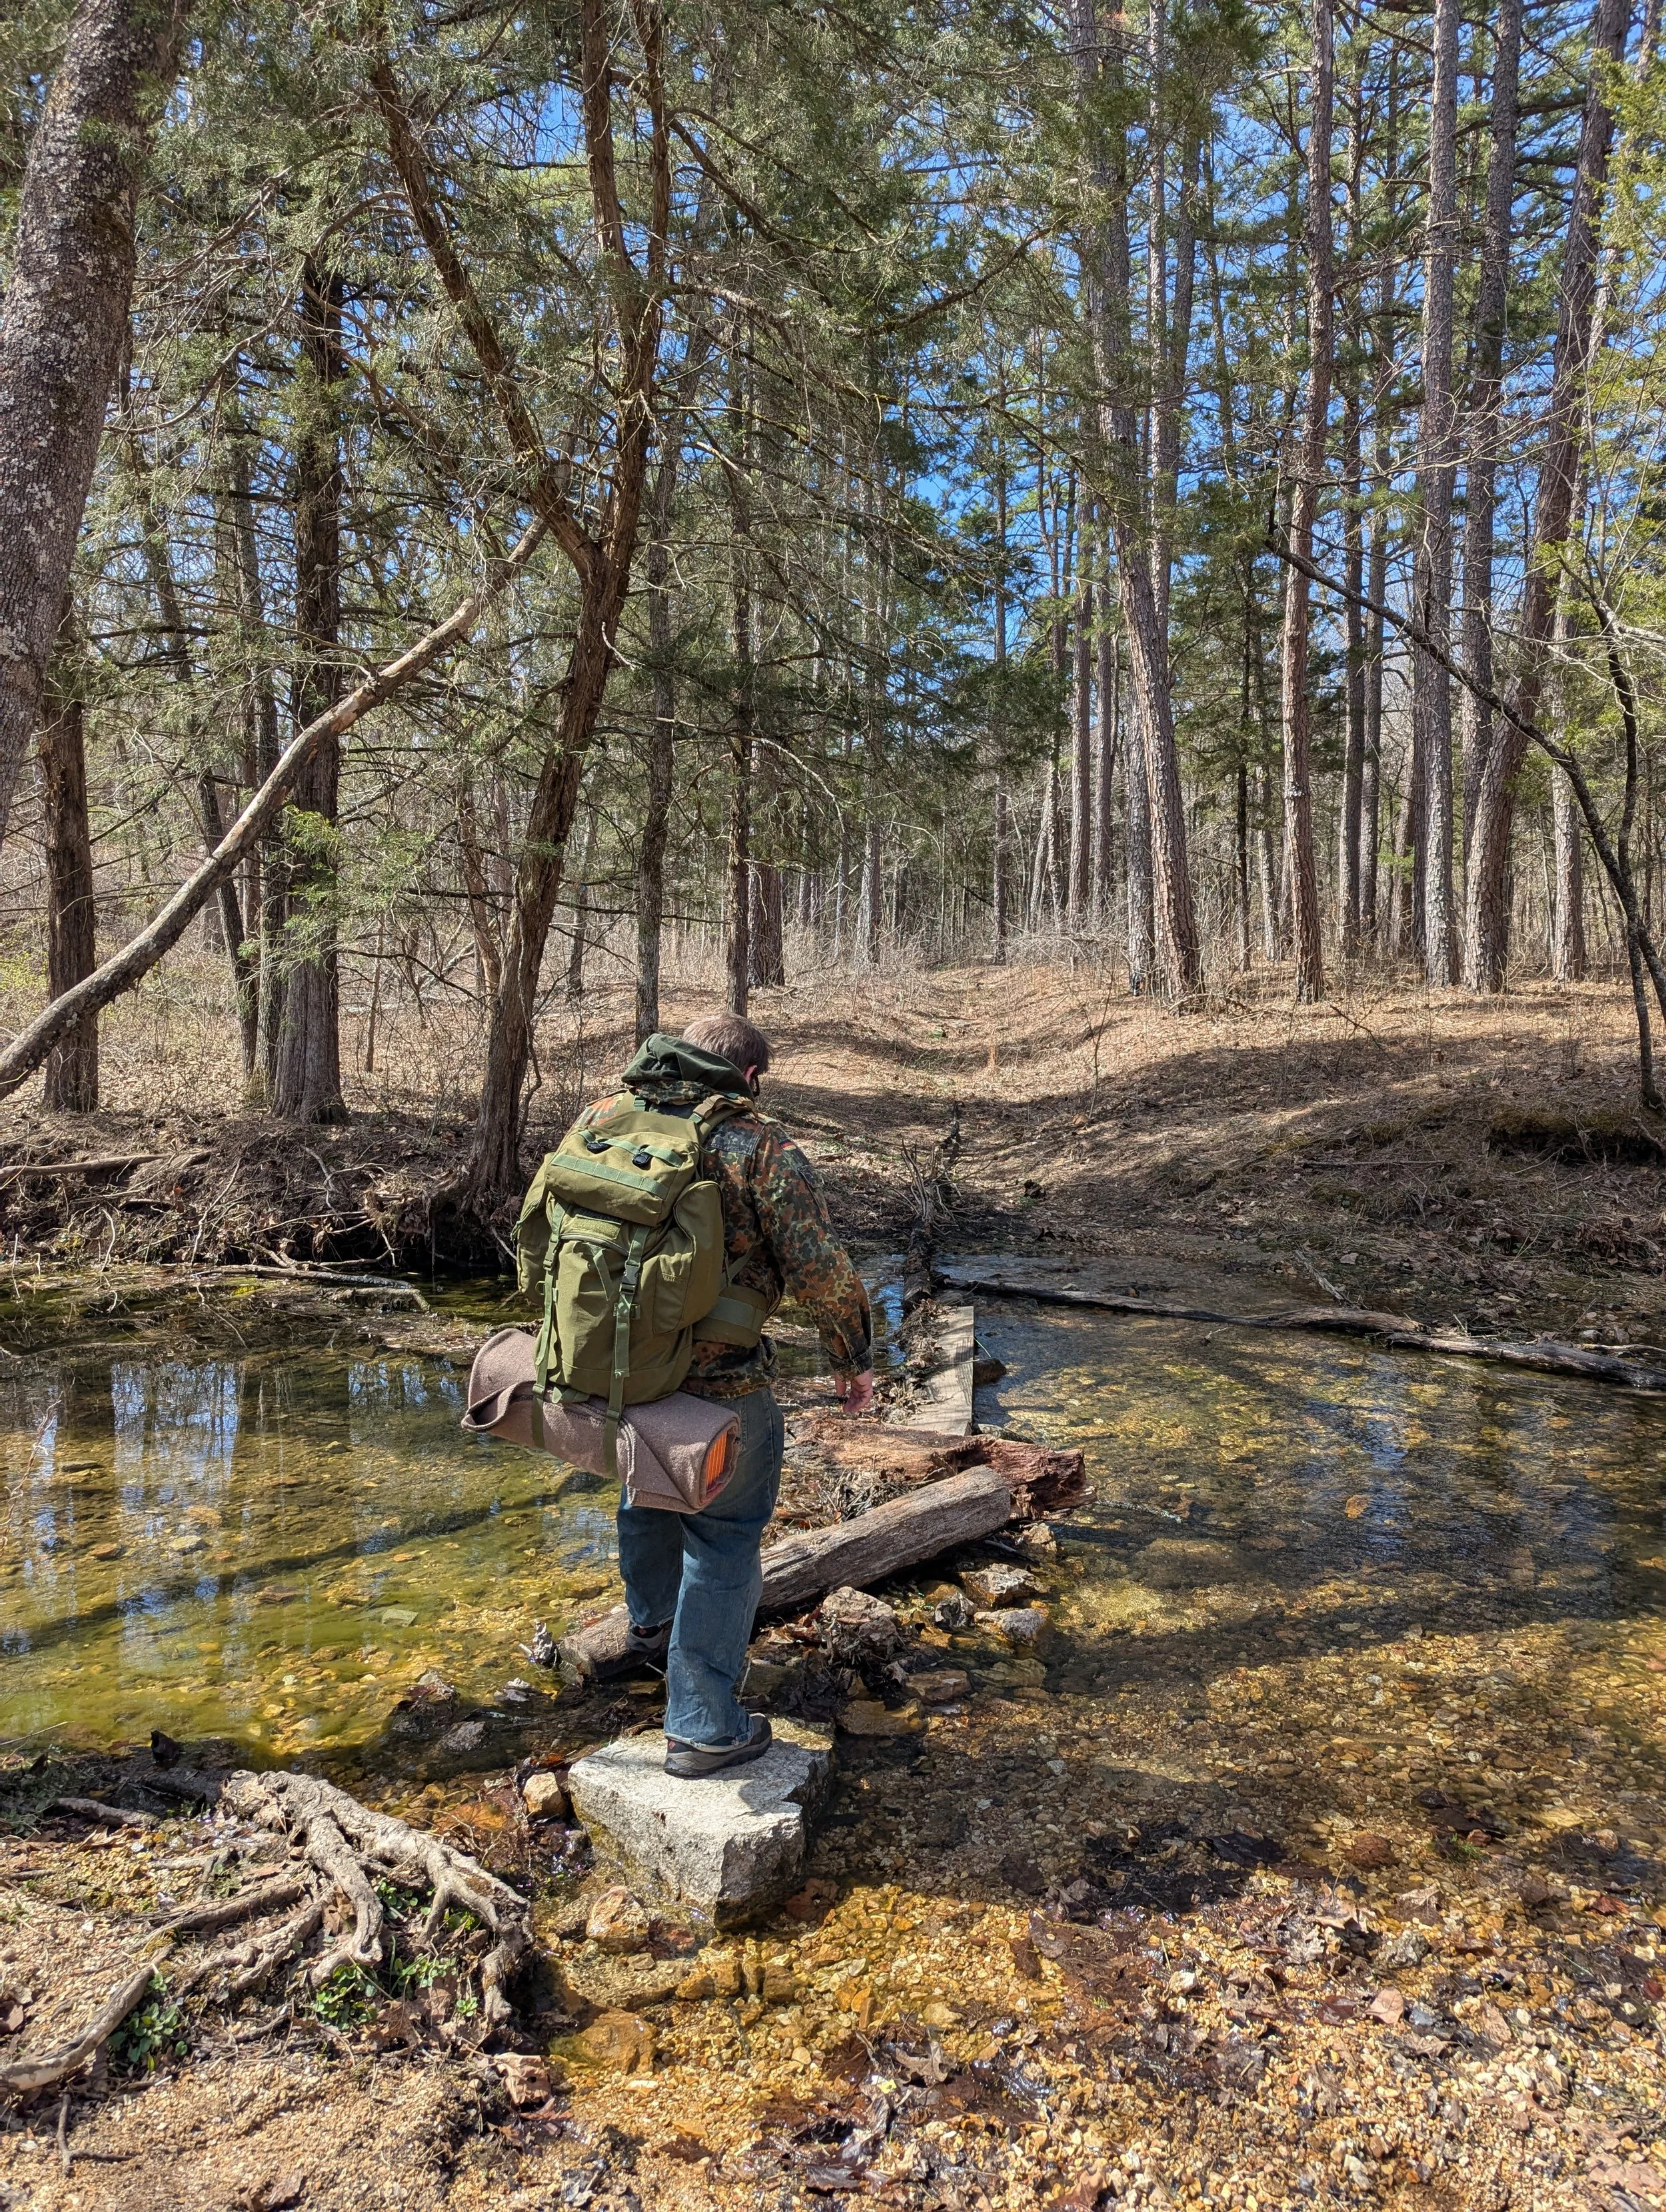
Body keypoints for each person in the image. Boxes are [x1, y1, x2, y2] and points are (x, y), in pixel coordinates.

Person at [593, 1012, 873, 1778]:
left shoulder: (607, 1120)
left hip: (618, 1370)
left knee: (646, 1493)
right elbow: (819, 1269)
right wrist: (852, 1358)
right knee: (724, 1539)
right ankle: (702, 1726)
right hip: (723, 1385)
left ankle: (650, 1626)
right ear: (750, 1077)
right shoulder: (762, 1149)